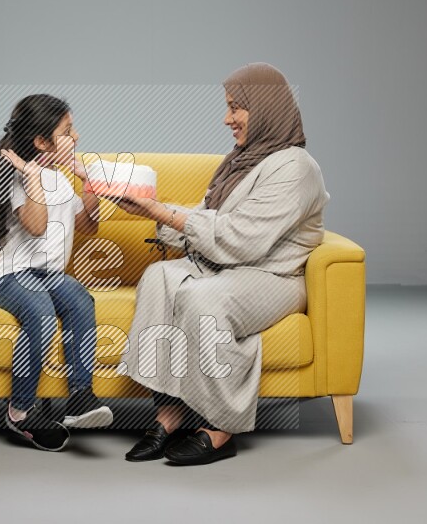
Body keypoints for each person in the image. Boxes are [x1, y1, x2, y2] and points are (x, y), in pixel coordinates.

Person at [116, 63, 330, 465]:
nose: (226, 118)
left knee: (203, 300)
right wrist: (148, 210)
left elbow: (242, 238)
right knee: (159, 277)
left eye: (236, 107)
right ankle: (170, 413)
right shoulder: (241, 161)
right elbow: (207, 219)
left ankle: (220, 427)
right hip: (229, 268)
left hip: (272, 274)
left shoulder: (297, 168)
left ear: (265, 108)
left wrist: (162, 211)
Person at [0, 94, 113, 452]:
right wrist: (33, 177)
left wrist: (90, 186)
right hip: (10, 276)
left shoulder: (61, 179)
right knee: (39, 311)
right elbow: (37, 226)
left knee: (81, 301)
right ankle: (20, 411)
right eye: (67, 131)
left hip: (49, 275)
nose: (76, 137)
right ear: (41, 142)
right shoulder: (18, 178)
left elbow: (88, 227)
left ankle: (80, 397)